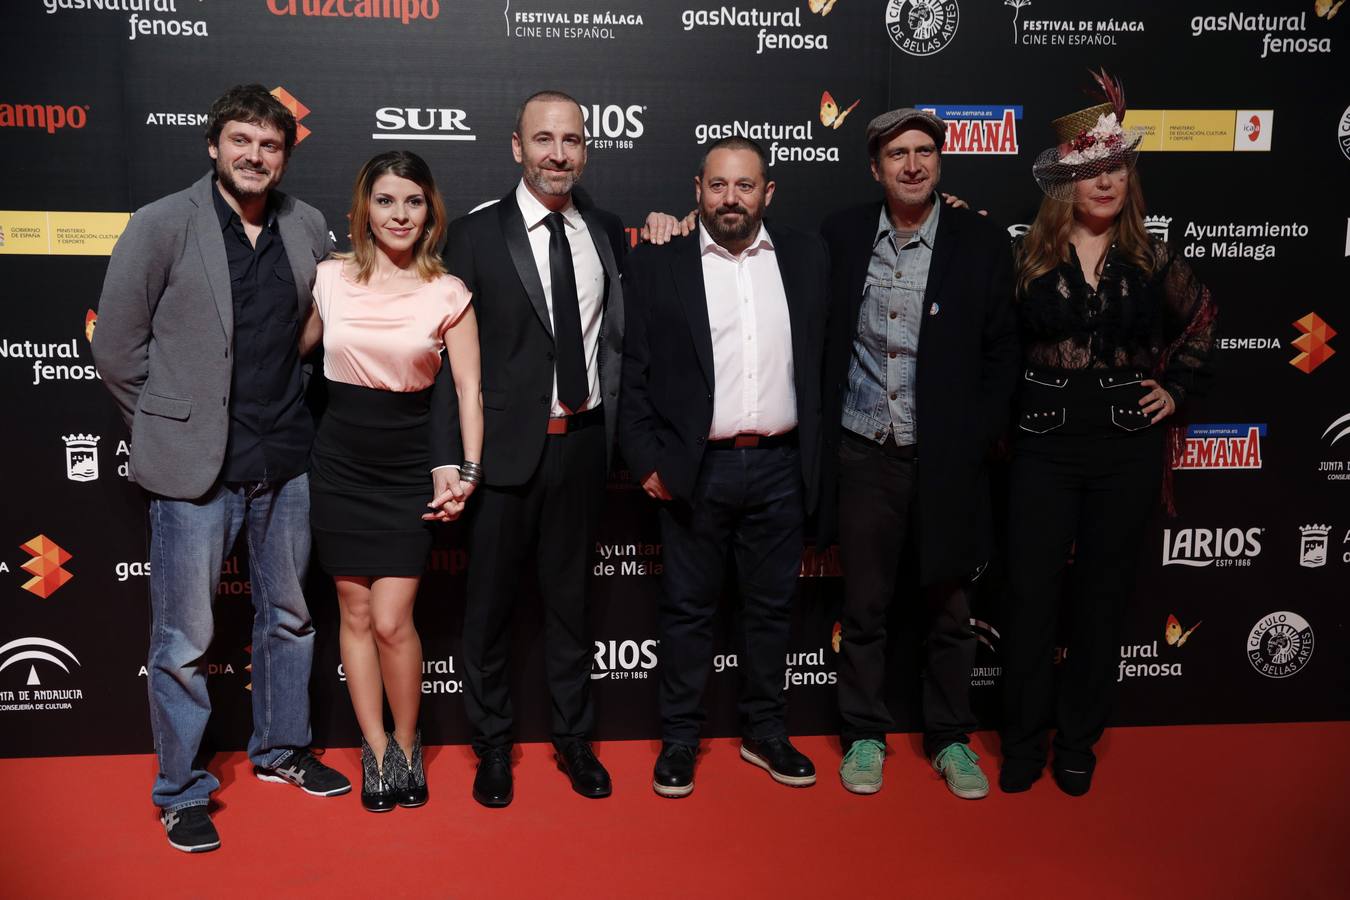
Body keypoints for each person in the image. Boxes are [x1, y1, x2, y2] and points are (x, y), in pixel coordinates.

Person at [92, 84, 350, 853]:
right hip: (195, 472)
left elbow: (315, 324)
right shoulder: (163, 223)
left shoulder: (306, 225)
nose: (255, 156)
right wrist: (168, 427)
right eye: (241, 140)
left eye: (270, 145)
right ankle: (180, 790)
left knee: (290, 618)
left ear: (284, 155)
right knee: (181, 640)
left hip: (287, 458)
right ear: (214, 146)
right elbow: (116, 348)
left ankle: (279, 751)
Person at [999, 73, 1215, 796]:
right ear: (1066, 181)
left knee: (1100, 599)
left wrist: (1176, 387)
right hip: (1040, 442)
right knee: (1029, 600)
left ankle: (1078, 741)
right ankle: (1023, 739)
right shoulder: (1027, 258)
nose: (1106, 181)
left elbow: (1203, 319)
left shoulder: (1151, 258)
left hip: (1125, 445)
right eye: (1091, 169)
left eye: (1116, 166)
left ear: (1130, 176)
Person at [817, 108, 1020, 799]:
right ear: (876, 168)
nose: (912, 164)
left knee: (951, 612)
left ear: (940, 161)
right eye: (897, 153)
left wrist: (973, 439)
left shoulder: (982, 242)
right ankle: (865, 735)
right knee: (865, 609)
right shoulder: (841, 236)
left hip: (946, 462)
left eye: (924, 151)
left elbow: (1003, 353)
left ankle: (950, 739)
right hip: (863, 453)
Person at [619, 137, 829, 798]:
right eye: (717, 186)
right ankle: (680, 739)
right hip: (695, 470)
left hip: (779, 466)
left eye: (744, 186)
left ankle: (766, 734)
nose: (729, 198)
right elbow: (634, 374)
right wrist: (646, 460)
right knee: (686, 611)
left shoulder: (807, 256)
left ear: (768, 192)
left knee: (771, 611)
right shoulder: (660, 264)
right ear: (697, 189)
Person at [441, 90, 626, 808]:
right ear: (516, 147)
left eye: (571, 140)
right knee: (486, 609)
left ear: (586, 149)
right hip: (502, 456)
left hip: (581, 449)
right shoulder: (473, 236)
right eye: (543, 139)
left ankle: (574, 742)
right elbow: (446, 363)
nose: (558, 153)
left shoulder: (606, 230)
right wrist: (458, 459)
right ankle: (493, 748)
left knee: (572, 607)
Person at [300, 151, 482, 812]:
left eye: (412, 201)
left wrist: (467, 471)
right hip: (338, 464)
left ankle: (408, 740)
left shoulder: (448, 292)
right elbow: (293, 354)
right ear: (364, 209)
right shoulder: (328, 280)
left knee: (391, 619)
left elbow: (467, 390)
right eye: (385, 201)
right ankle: (374, 749)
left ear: (429, 210)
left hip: (408, 467)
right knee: (352, 611)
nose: (399, 214)